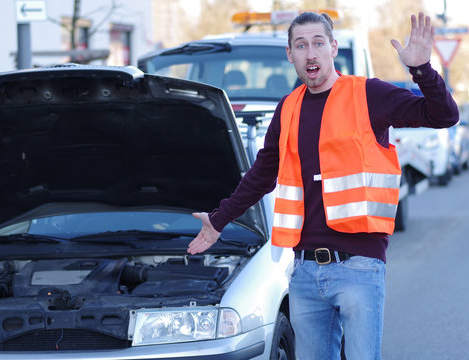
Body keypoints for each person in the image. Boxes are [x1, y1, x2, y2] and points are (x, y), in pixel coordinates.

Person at [187, 11, 458, 360]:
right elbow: (262, 174)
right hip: (303, 271)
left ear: (333, 47)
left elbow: (444, 115)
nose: (310, 53)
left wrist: (421, 70)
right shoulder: (287, 108)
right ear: (290, 55)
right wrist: (219, 219)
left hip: (359, 265)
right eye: (301, 45)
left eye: (318, 43)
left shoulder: (368, 94)